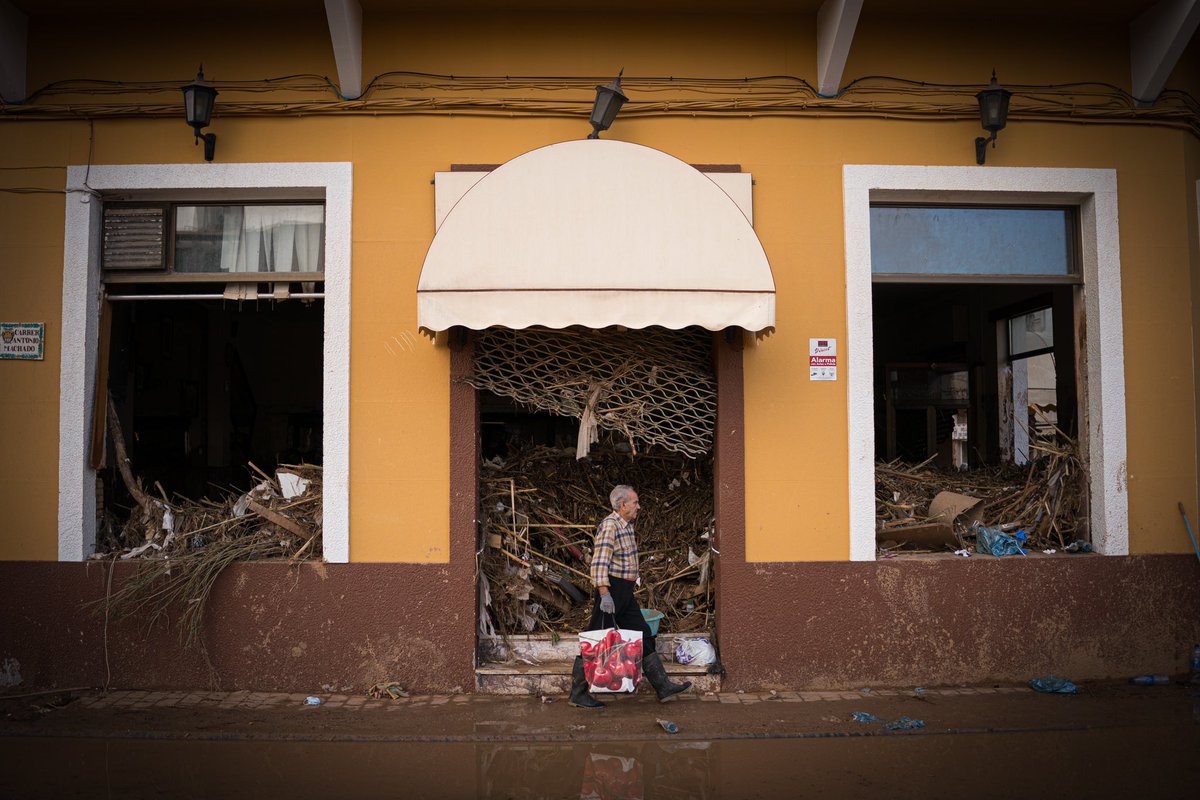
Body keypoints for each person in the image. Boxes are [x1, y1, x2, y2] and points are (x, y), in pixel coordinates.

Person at [570, 484, 692, 709]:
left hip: (624, 592)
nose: (639, 506)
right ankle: (577, 693)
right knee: (597, 639)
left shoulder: (625, 526)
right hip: (612, 591)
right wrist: (604, 593)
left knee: (643, 633)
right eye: (635, 502)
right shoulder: (610, 526)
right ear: (622, 504)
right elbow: (599, 562)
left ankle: (662, 686)